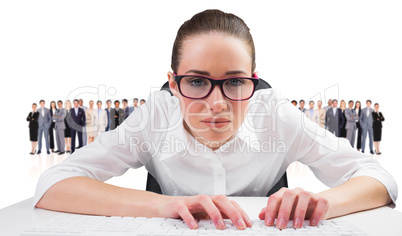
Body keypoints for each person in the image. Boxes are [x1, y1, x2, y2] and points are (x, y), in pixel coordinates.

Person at [34, 10, 396, 231]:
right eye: (196, 81)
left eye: (235, 82)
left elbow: (379, 177)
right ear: (173, 84)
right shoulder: (154, 116)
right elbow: (53, 184)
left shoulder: (276, 114)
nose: (217, 103)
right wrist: (164, 205)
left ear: (254, 80)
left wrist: (324, 203)